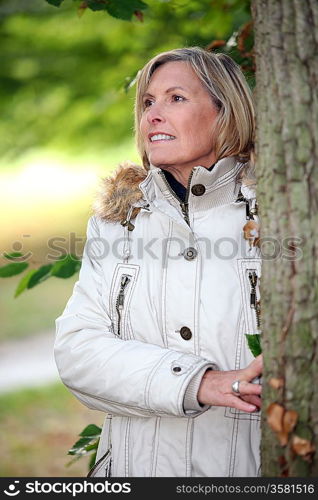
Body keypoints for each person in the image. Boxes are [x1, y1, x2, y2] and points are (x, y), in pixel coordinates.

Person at [54, 47, 263, 478]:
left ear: (226, 114)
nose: (153, 114)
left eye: (176, 98)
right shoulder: (117, 221)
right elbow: (77, 350)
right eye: (148, 102)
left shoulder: (279, 213)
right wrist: (196, 383)